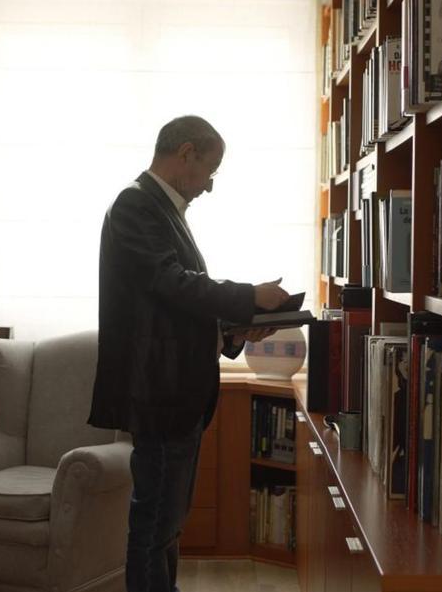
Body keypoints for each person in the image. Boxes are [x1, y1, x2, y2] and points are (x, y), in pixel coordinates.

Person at [88, 115, 290, 592]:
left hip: (178, 394)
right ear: (185, 155)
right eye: (210, 171)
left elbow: (172, 308)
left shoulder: (162, 210)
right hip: (160, 394)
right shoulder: (135, 206)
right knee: (155, 522)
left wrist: (234, 330)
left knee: (166, 524)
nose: (210, 186)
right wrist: (248, 296)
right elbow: (172, 283)